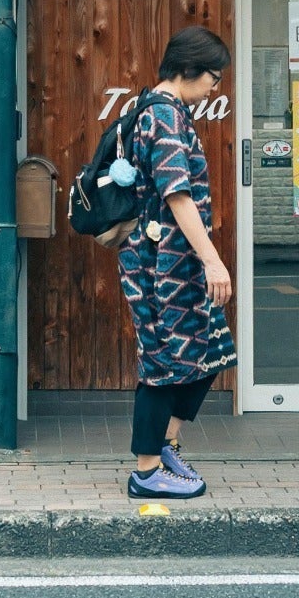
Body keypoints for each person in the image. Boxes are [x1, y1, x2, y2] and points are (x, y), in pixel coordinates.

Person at [113, 26, 236, 500]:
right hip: (160, 266)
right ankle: (146, 471)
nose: (215, 85)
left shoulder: (161, 110)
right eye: (212, 75)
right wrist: (213, 261)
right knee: (164, 362)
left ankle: (165, 443)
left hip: (173, 262)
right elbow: (176, 193)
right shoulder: (163, 116)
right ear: (188, 69)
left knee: (209, 352)